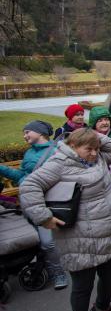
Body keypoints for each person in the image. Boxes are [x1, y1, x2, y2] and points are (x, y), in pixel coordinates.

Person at [20, 128, 111, 311]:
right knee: (83, 286)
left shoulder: (98, 157)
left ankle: (101, 307)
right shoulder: (59, 163)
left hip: (109, 231)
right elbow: (29, 186)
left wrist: (94, 136)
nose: (93, 153)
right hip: (79, 237)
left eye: (95, 149)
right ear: (72, 146)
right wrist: (44, 217)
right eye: (87, 149)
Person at [0, 120, 68, 290]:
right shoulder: (30, 153)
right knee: (40, 241)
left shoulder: (56, 151)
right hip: (28, 203)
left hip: (47, 202)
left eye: (27, 132)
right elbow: (21, 176)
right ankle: (43, 267)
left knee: (47, 242)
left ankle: (58, 274)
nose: (24, 136)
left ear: (40, 132)